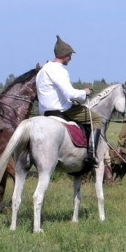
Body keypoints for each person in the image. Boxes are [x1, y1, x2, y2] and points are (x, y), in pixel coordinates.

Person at [36, 35, 101, 169]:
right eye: (70, 56)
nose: (71, 59)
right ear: (65, 56)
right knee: (97, 119)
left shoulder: (43, 70)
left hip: (44, 111)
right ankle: (91, 154)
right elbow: (70, 93)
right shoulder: (59, 70)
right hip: (62, 110)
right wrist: (85, 93)